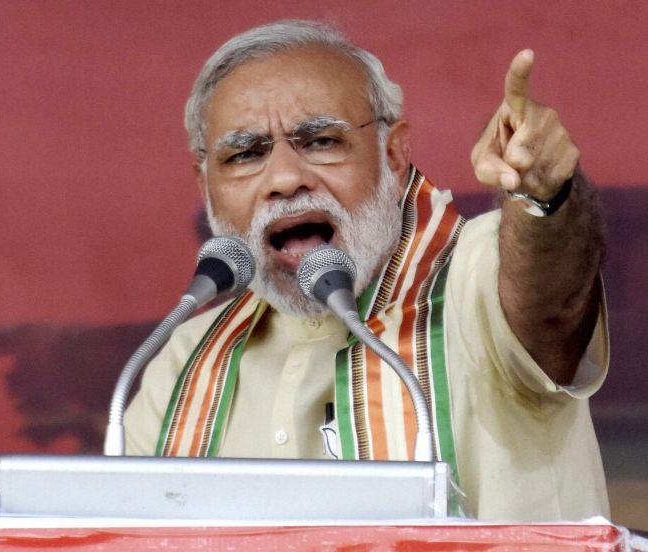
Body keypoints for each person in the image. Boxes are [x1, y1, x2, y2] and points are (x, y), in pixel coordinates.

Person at [124, 20, 609, 521]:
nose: (286, 179)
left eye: (320, 142)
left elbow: (550, 299)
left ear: (394, 154)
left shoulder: (476, 273)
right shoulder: (183, 362)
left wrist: (543, 199)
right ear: (205, 184)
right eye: (246, 154)